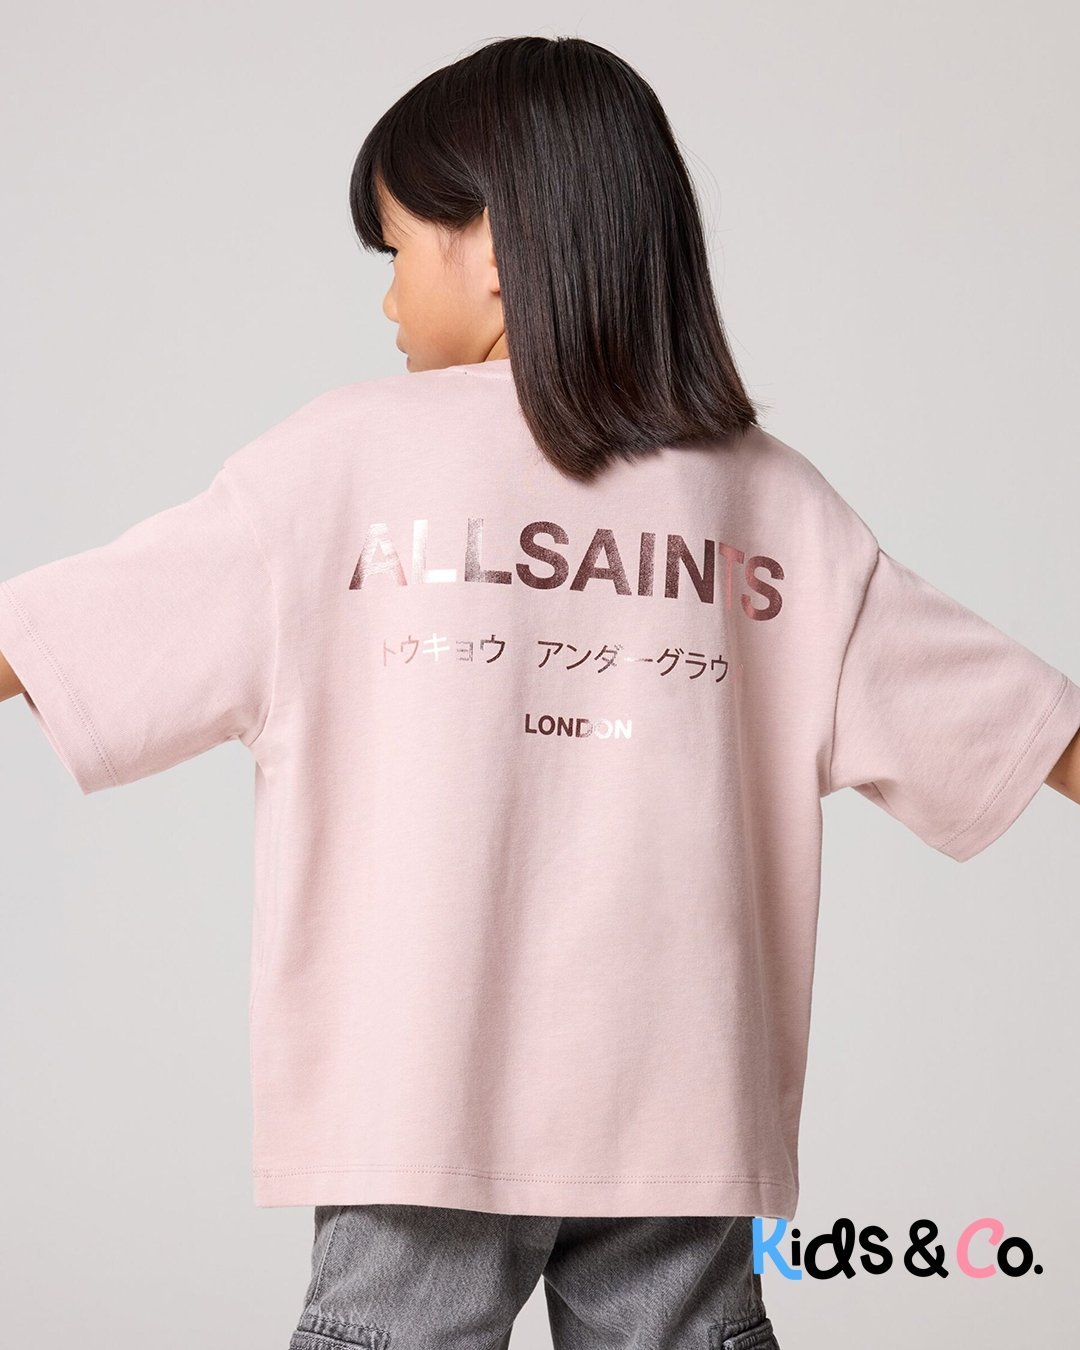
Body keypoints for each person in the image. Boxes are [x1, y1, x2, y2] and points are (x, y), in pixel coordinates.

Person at [1, 33, 1078, 1350]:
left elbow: (59, 636)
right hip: (682, 1110)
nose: (389, 302)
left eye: (397, 251)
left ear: (498, 250)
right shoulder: (769, 503)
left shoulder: (339, 466)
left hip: (422, 1101)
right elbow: (1027, 727)